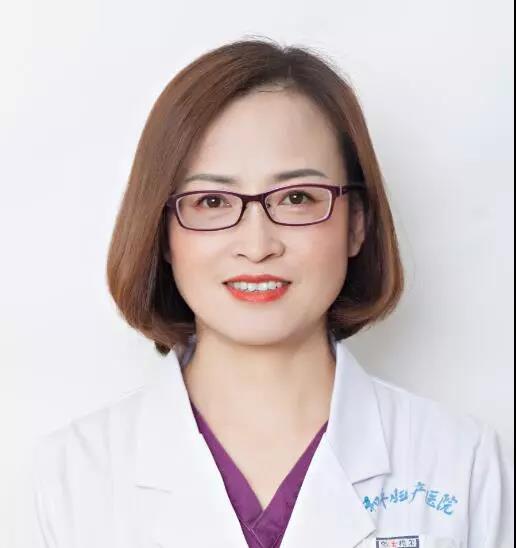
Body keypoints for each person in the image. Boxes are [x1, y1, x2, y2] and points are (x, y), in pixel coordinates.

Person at [31, 38, 514, 548]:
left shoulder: (460, 463)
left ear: (357, 224)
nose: (258, 245)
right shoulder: (72, 476)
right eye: (212, 201)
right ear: (163, 231)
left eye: (297, 197)